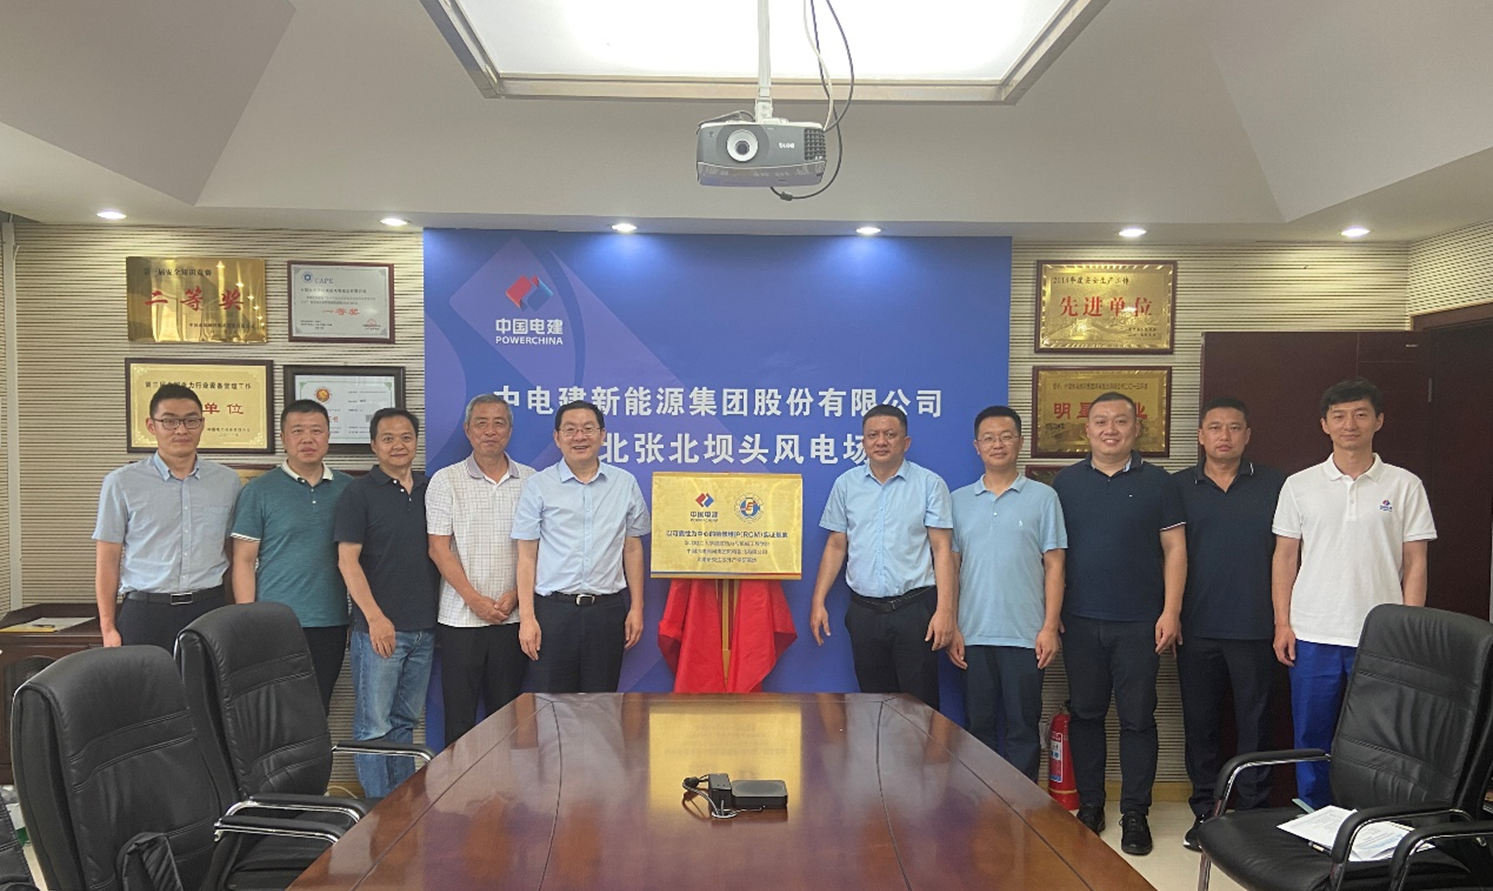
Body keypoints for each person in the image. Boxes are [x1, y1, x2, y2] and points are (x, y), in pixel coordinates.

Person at [1272, 378, 1435, 808]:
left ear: (1378, 421)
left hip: (1381, 638)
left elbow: (1416, 562)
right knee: (1311, 735)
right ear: (1324, 424)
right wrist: (1283, 623)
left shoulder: (1404, 485)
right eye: (1339, 416)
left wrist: (1408, 631)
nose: (1350, 425)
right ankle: (1314, 813)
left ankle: (1372, 816)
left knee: (1381, 736)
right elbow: (1285, 558)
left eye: (1361, 414)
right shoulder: (1300, 485)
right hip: (1312, 632)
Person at [1052, 391, 1186, 856]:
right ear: (1087, 430)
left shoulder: (1160, 483)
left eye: (1121, 421)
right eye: (1101, 421)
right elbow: (1053, 556)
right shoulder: (1065, 483)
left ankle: (1135, 813)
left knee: (1138, 719)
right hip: (1079, 621)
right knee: (1086, 714)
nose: (1111, 429)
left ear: (1136, 428)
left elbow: (1175, 549)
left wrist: (1171, 611)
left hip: (1140, 623)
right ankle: (1091, 804)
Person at [1172, 397, 1285, 850]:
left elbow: (1290, 555)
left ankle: (1254, 816)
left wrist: (1284, 620)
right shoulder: (1178, 487)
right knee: (1200, 726)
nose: (1224, 436)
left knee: (1255, 725)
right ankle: (1207, 813)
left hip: (1256, 627)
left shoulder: (1277, 485)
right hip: (1195, 627)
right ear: (1200, 436)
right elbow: (1166, 556)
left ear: (1247, 435)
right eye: (1215, 427)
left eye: (1234, 427)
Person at [809, 404, 956, 710]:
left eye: (890, 434)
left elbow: (942, 549)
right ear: (863, 442)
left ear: (906, 442)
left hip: (915, 611)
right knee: (873, 706)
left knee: (921, 708)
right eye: (873, 435)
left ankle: (920, 747)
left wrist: (945, 611)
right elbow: (836, 545)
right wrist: (818, 601)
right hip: (864, 613)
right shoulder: (846, 484)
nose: (881, 441)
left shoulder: (929, 484)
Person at [949, 406, 1065, 781]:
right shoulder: (958, 500)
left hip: (1026, 635)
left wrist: (1049, 627)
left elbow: (1055, 565)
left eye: (1005, 436)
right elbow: (950, 567)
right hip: (973, 634)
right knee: (977, 727)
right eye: (989, 438)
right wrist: (952, 626)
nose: (997, 444)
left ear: (1019, 441)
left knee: (1023, 729)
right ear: (976, 446)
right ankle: (981, 802)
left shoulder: (1044, 498)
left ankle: (1021, 806)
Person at [334, 407, 440, 797]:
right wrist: (375, 618)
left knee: (404, 723)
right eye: (389, 438)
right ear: (374, 445)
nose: (398, 445)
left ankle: (402, 804)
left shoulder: (432, 489)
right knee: (373, 726)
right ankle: (377, 812)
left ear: (416, 442)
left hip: (424, 628)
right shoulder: (358, 493)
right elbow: (347, 561)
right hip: (378, 629)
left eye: (406, 437)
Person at [513, 400, 649, 693]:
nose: (579, 437)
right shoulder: (538, 485)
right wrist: (527, 618)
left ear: (602, 435)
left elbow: (633, 548)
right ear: (557, 437)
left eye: (588, 429)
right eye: (570, 429)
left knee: (601, 704)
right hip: (553, 613)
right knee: (552, 706)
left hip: (606, 612)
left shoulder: (624, 484)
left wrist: (637, 608)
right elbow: (526, 556)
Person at [94, 383, 240, 651]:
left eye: (191, 421)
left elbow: (233, 553)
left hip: (209, 610)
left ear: (202, 424)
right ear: (151, 426)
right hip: (145, 612)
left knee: (207, 680)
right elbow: (107, 560)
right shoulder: (121, 483)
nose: (181, 430)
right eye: (170, 421)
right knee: (144, 680)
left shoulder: (227, 482)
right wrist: (108, 627)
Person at [427, 394, 535, 746]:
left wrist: (515, 596)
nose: (490, 431)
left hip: (512, 617)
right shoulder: (446, 480)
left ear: (510, 430)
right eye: (481, 423)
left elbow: (539, 549)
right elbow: (438, 549)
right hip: (460, 619)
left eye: (499, 423)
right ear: (467, 430)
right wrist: (474, 600)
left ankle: (503, 784)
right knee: (459, 720)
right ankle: (458, 784)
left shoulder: (532, 481)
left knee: (507, 721)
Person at [231, 399, 353, 711]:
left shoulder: (349, 489)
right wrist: (248, 620)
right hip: (274, 623)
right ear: (283, 438)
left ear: (328, 436)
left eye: (316, 431)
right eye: (297, 431)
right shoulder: (259, 491)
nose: (307, 439)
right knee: (277, 710)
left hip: (330, 620)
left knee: (318, 708)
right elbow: (243, 561)